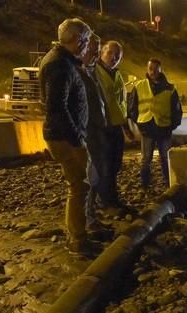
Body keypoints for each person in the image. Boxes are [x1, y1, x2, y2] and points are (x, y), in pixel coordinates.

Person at [39, 18, 93, 254]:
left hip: (65, 135)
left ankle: (76, 232)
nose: (87, 45)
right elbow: (56, 107)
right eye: (86, 40)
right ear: (77, 39)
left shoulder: (61, 60)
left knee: (77, 186)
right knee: (78, 186)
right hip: (65, 138)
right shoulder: (59, 65)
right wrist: (76, 139)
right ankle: (78, 240)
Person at [128, 58, 183, 188]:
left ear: (160, 69)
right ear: (147, 69)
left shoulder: (170, 88)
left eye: (156, 68)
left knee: (165, 158)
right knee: (146, 159)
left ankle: (169, 183)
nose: (153, 71)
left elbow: (177, 110)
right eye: (150, 68)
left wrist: (172, 125)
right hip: (147, 128)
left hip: (164, 129)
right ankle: (145, 185)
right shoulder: (139, 86)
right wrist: (140, 123)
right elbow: (132, 108)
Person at [78, 32, 109, 230]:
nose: (96, 55)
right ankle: (85, 220)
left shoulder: (92, 71)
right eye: (92, 50)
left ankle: (90, 214)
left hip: (97, 132)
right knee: (89, 177)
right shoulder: (76, 71)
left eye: (98, 51)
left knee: (96, 175)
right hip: (86, 133)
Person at [95, 40, 131, 208]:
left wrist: (126, 126)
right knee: (105, 166)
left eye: (118, 56)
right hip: (103, 128)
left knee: (115, 165)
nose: (114, 58)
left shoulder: (116, 74)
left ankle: (111, 197)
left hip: (116, 126)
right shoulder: (94, 72)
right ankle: (106, 201)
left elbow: (120, 103)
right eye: (110, 53)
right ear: (102, 52)